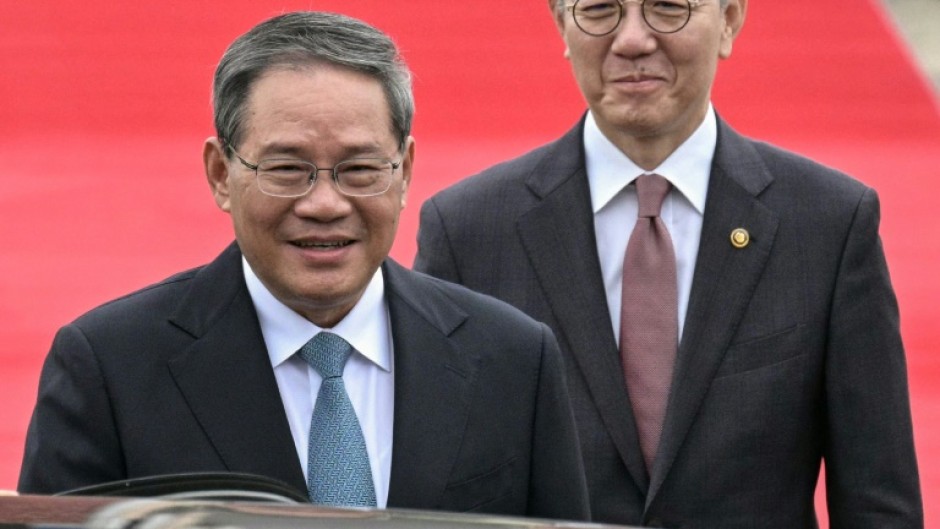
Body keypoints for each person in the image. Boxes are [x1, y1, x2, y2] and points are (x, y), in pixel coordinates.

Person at [18, 11, 590, 520]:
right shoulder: (110, 368)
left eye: (361, 169)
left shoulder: (513, 358)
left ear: (406, 170)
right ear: (221, 173)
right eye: (287, 169)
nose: (324, 204)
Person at [414, 0, 923, 527]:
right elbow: (432, 490)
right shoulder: (469, 232)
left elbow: (878, 502)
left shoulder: (827, 224)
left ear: (728, 21)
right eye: (599, 9)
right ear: (561, 26)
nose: (632, 39)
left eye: (667, 8)